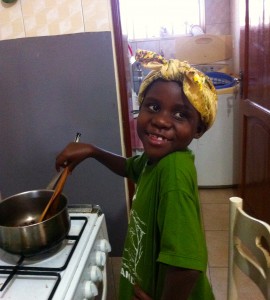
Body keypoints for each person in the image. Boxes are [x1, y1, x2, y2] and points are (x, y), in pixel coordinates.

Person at [55, 49, 217, 299]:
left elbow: (186, 266)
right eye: (153, 107)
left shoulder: (173, 171)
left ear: (198, 129)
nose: (161, 121)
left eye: (180, 114)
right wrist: (92, 151)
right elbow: (129, 167)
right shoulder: (155, 161)